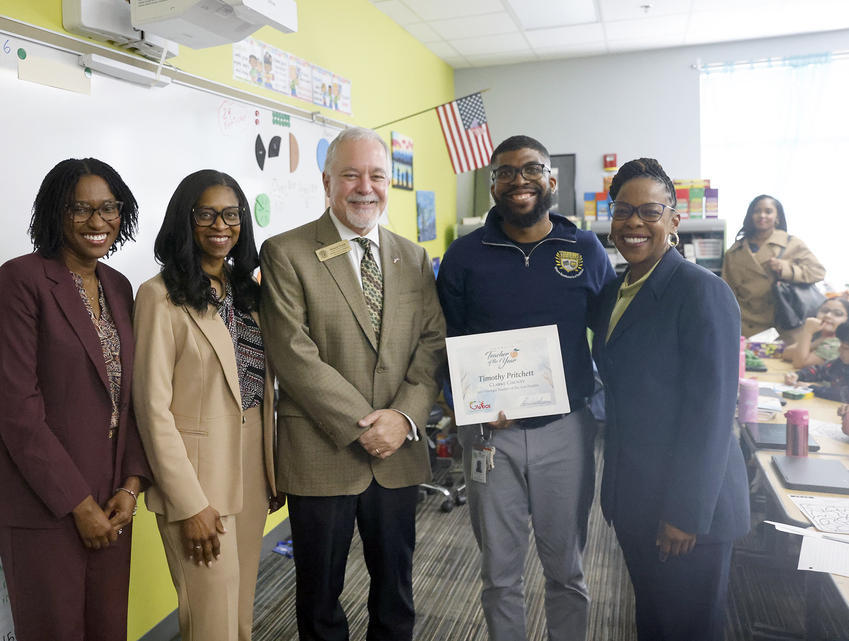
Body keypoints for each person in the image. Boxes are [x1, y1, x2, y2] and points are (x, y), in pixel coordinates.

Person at [259, 127, 446, 641]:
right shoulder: (285, 252)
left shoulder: (412, 257)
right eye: (351, 175)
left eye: (377, 176)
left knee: (396, 592)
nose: (366, 187)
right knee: (319, 598)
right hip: (322, 451)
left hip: (398, 451)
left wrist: (402, 417)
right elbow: (292, 352)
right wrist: (364, 425)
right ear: (327, 182)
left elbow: (431, 343)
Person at [436, 135, 615, 641]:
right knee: (499, 573)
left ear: (551, 180)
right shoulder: (463, 256)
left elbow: (611, 334)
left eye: (532, 169)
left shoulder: (584, 249)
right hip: (490, 436)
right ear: (493, 185)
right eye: (506, 172)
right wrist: (463, 403)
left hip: (566, 430)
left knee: (567, 569)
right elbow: (444, 341)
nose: (520, 181)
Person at [0, 158, 152, 641]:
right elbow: (17, 411)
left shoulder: (118, 285)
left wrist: (131, 485)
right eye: (81, 208)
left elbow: (131, 395)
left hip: (112, 498)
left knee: (109, 630)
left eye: (109, 207)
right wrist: (77, 504)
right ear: (56, 212)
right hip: (44, 502)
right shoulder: (20, 280)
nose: (98, 221)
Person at [592, 158, 751, 641]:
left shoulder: (702, 292)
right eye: (623, 211)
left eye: (650, 211)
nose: (634, 222)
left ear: (674, 221)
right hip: (635, 496)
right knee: (654, 621)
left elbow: (712, 414)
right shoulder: (615, 291)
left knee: (688, 628)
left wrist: (684, 513)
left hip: (688, 509)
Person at [132, 170, 282, 641]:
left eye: (231, 214)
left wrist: (272, 469)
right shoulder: (159, 296)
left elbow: (262, 387)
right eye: (206, 214)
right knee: (210, 619)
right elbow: (152, 410)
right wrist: (189, 504)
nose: (221, 225)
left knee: (239, 615)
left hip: (252, 466)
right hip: (197, 476)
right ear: (185, 220)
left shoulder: (247, 289)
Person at [722, 194, 826, 343]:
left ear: (777, 217)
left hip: (781, 323)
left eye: (768, 211)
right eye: (757, 211)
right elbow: (727, 290)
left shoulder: (792, 243)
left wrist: (786, 268)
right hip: (746, 324)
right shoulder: (735, 250)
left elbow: (818, 272)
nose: (762, 215)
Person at [785, 315, 849, 405]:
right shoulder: (843, 362)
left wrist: (811, 388)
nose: (839, 350)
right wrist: (798, 375)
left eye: (845, 348)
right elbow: (820, 371)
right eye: (840, 345)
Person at [781, 298, 849, 368]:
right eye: (824, 311)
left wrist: (807, 332)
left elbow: (799, 363)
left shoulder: (837, 343)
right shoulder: (818, 334)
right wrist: (817, 342)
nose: (827, 315)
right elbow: (786, 353)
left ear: (848, 320)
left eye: (837, 314)